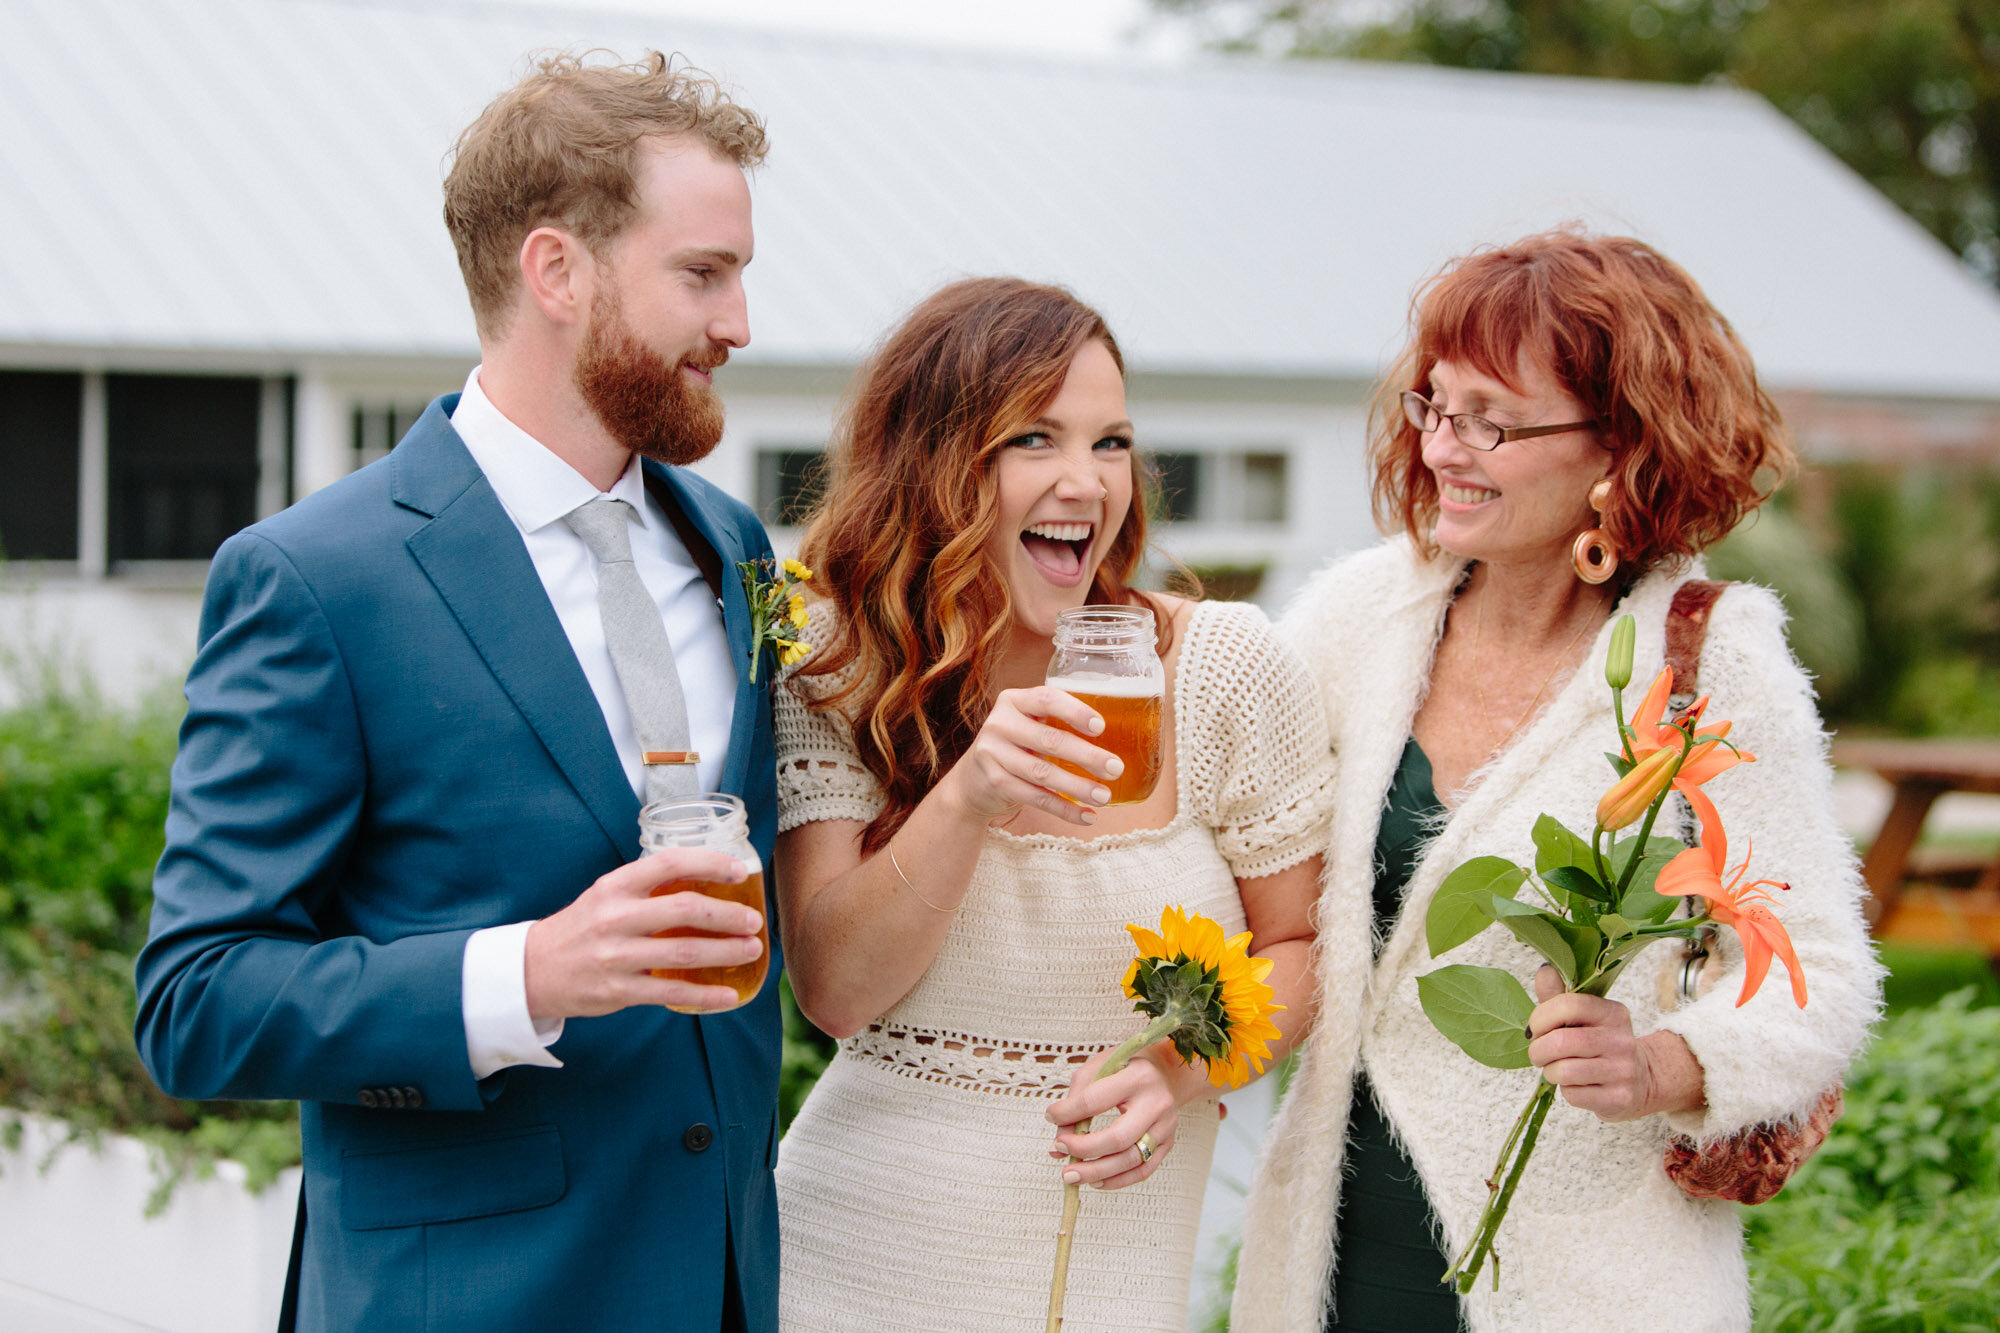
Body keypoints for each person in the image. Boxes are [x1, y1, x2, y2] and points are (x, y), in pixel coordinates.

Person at [134, 54, 785, 1332]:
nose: (741, 322)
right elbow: (196, 1000)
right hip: (464, 1300)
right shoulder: (316, 578)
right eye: (703, 274)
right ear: (557, 271)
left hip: (719, 1289)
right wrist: (532, 971)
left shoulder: (733, 546)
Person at [1230, 230, 1883, 1333]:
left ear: (1620, 447)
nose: (1442, 447)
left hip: (1590, 1277)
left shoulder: (1709, 661)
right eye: (1432, 406)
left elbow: (1814, 966)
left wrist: (1668, 1063)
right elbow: (1224, 831)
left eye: (1490, 419)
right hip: (1333, 1258)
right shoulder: (1356, 618)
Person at [768, 277, 1338, 1331]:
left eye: (1110, 442)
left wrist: (1179, 1069)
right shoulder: (839, 668)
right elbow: (834, 991)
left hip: (1107, 1277)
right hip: (846, 1261)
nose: (1086, 481)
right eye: (1034, 438)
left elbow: (1298, 946)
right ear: (933, 466)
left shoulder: (1223, 668)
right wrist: (969, 795)